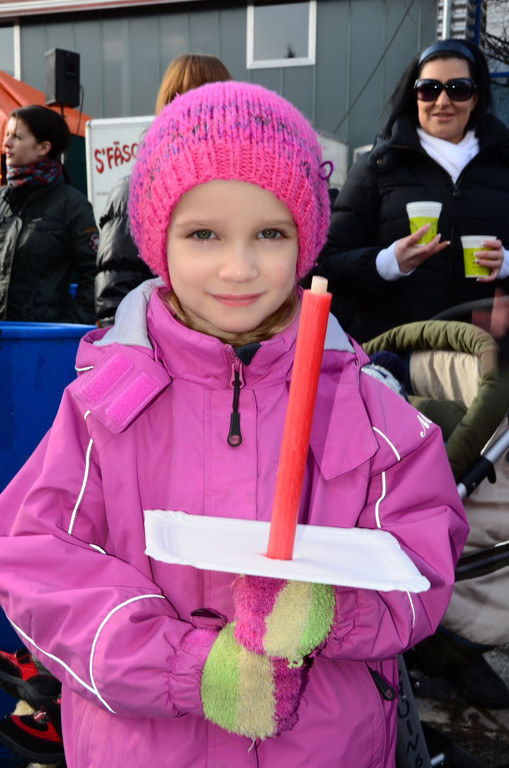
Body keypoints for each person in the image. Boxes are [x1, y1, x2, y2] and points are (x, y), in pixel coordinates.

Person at [0, 81, 468, 768]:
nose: (238, 267)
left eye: (270, 233)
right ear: (158, 239)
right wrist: (185, 666)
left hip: (327, 746)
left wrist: (335, 608)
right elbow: (37, 562)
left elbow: (425, 553)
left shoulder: (364, 405)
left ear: (306, 240)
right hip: (145, 748)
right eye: (203, 234)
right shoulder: (106, 405)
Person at [316, 38, 509, 343]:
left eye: (458, 89)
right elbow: (326, 263)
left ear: (475, 98)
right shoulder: (377, 167)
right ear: (415, 96)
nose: (442, 102)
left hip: (480, 355)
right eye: (429, 89)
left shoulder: (504, 167)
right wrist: (388, 262)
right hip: (394, 351)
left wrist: (507, 263)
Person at [95, 52, 232, 327]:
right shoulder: (135, 191)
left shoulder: (243, 188)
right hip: (160, 346)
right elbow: (114, 299)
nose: (199, 112)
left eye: (213, 101)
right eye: (186, 98)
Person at [0, 105, 97, 323]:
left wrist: (70, 327)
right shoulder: (2, 199)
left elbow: (94, 273)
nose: (6, 143)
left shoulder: (72, 205)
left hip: (43, 339)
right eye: (7, 134)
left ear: (44, 147)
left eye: (17, 137)